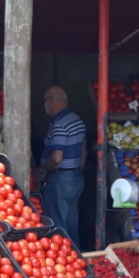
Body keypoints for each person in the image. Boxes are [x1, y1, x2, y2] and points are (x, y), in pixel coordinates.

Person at [37, 86, 87, 249]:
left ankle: (65, 262)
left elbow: (56, 157)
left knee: (58, 226)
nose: (44, 106)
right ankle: (77, 260)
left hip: (60, 179)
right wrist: (76, 172)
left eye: (45, 100)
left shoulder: (59, 124)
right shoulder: (77, 120)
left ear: (51, 101)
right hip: (75, 178)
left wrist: (43, 171)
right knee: (72, 224)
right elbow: (84, 152)